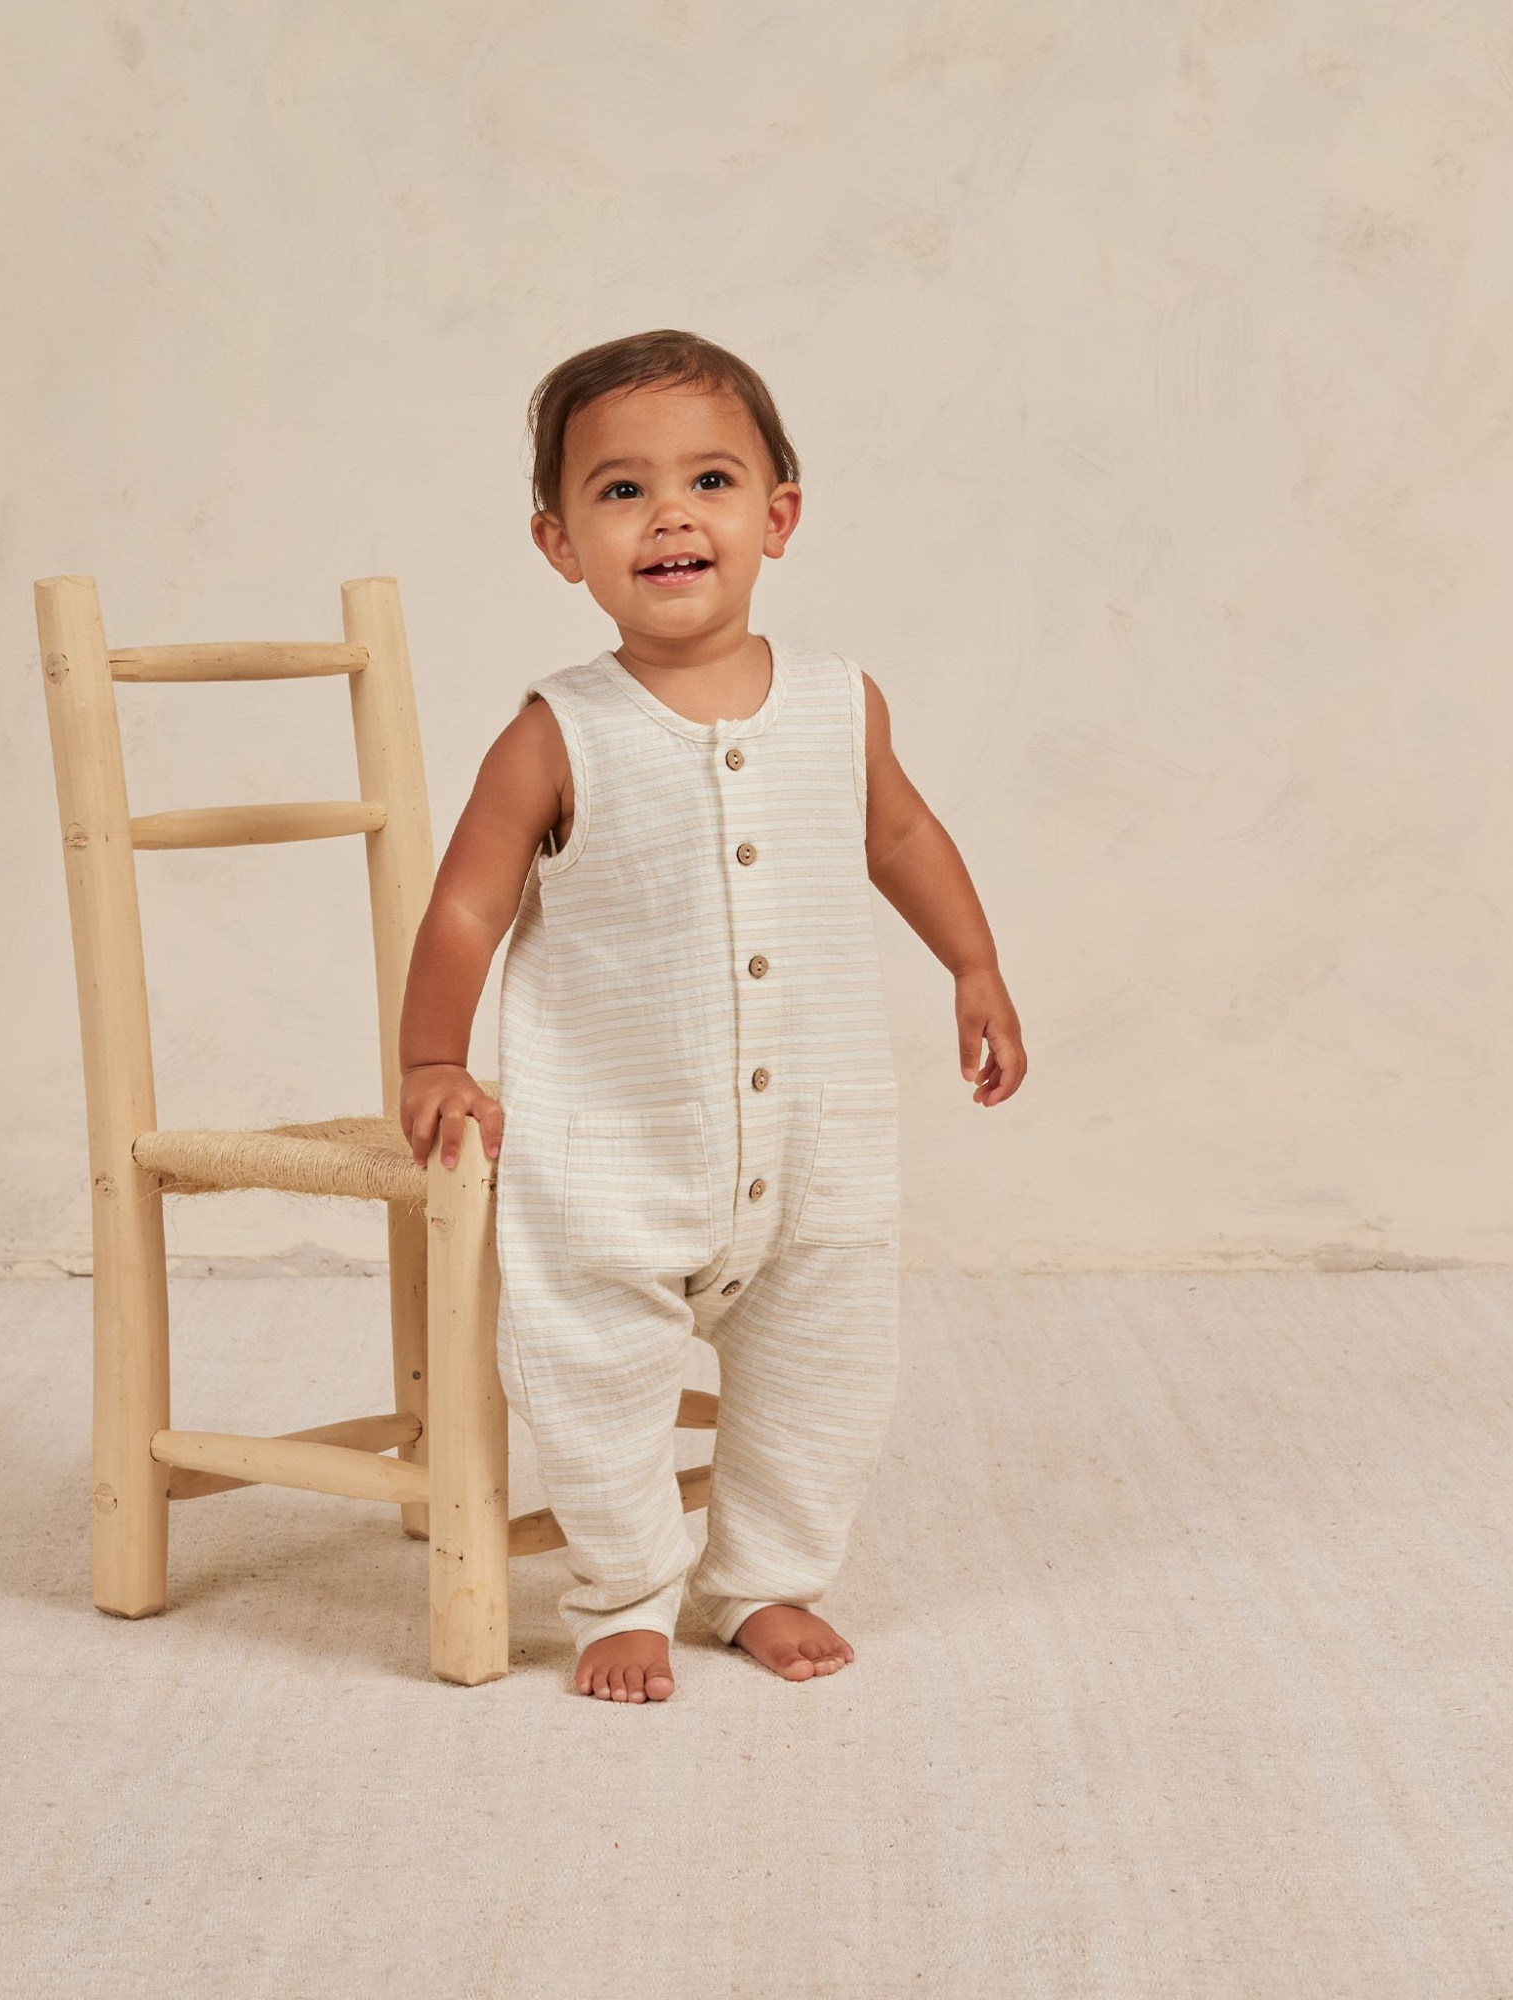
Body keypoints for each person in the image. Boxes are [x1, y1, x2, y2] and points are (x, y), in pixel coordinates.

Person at [397, 329, 1026, 1703]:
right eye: (621, 490)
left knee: (823, 1377)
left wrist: (972, 967)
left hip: (814, 1149)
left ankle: (762, 1582)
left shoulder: (839, 705)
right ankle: (623, 1591)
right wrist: (433, 1055)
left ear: (777, 518)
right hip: (616, 1151)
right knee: (596, 1376)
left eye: (711, 481)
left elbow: (903, 835)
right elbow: (466, 905)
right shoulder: (559, 730)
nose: (670, 514)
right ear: (560, 544)